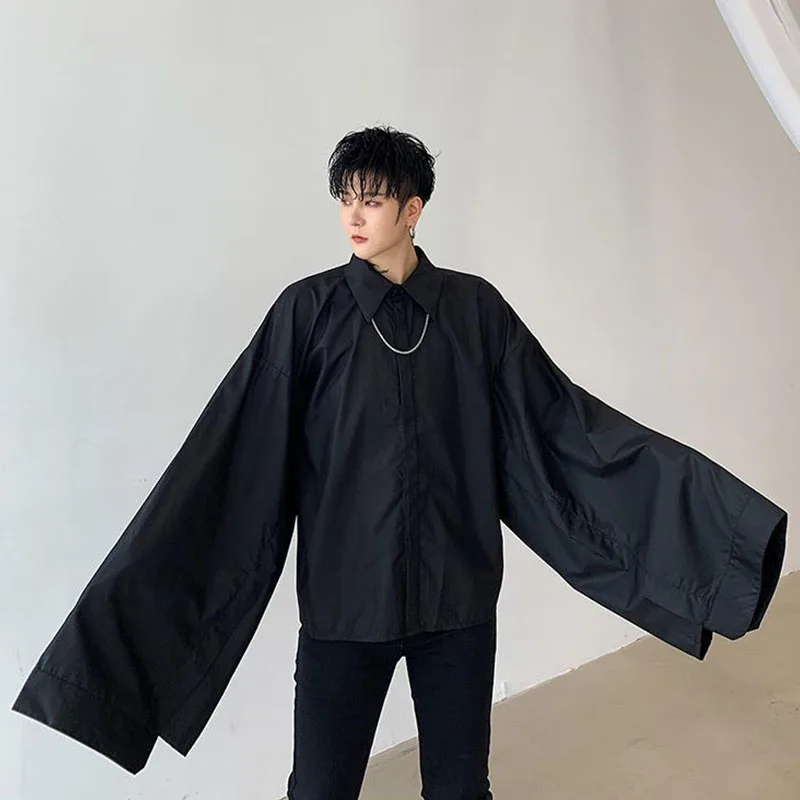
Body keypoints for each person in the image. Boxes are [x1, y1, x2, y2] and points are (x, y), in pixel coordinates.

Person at [12, 126, 787, 800]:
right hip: (345, 614)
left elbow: (564, 431)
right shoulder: (306, 314)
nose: (353, 216)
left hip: (457, 611)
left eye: (373, 199)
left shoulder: (475, 312)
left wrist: (723, 540)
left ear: (412, 210)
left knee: (459, 790)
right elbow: (230, 463)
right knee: (319, 790)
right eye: (345, 198)